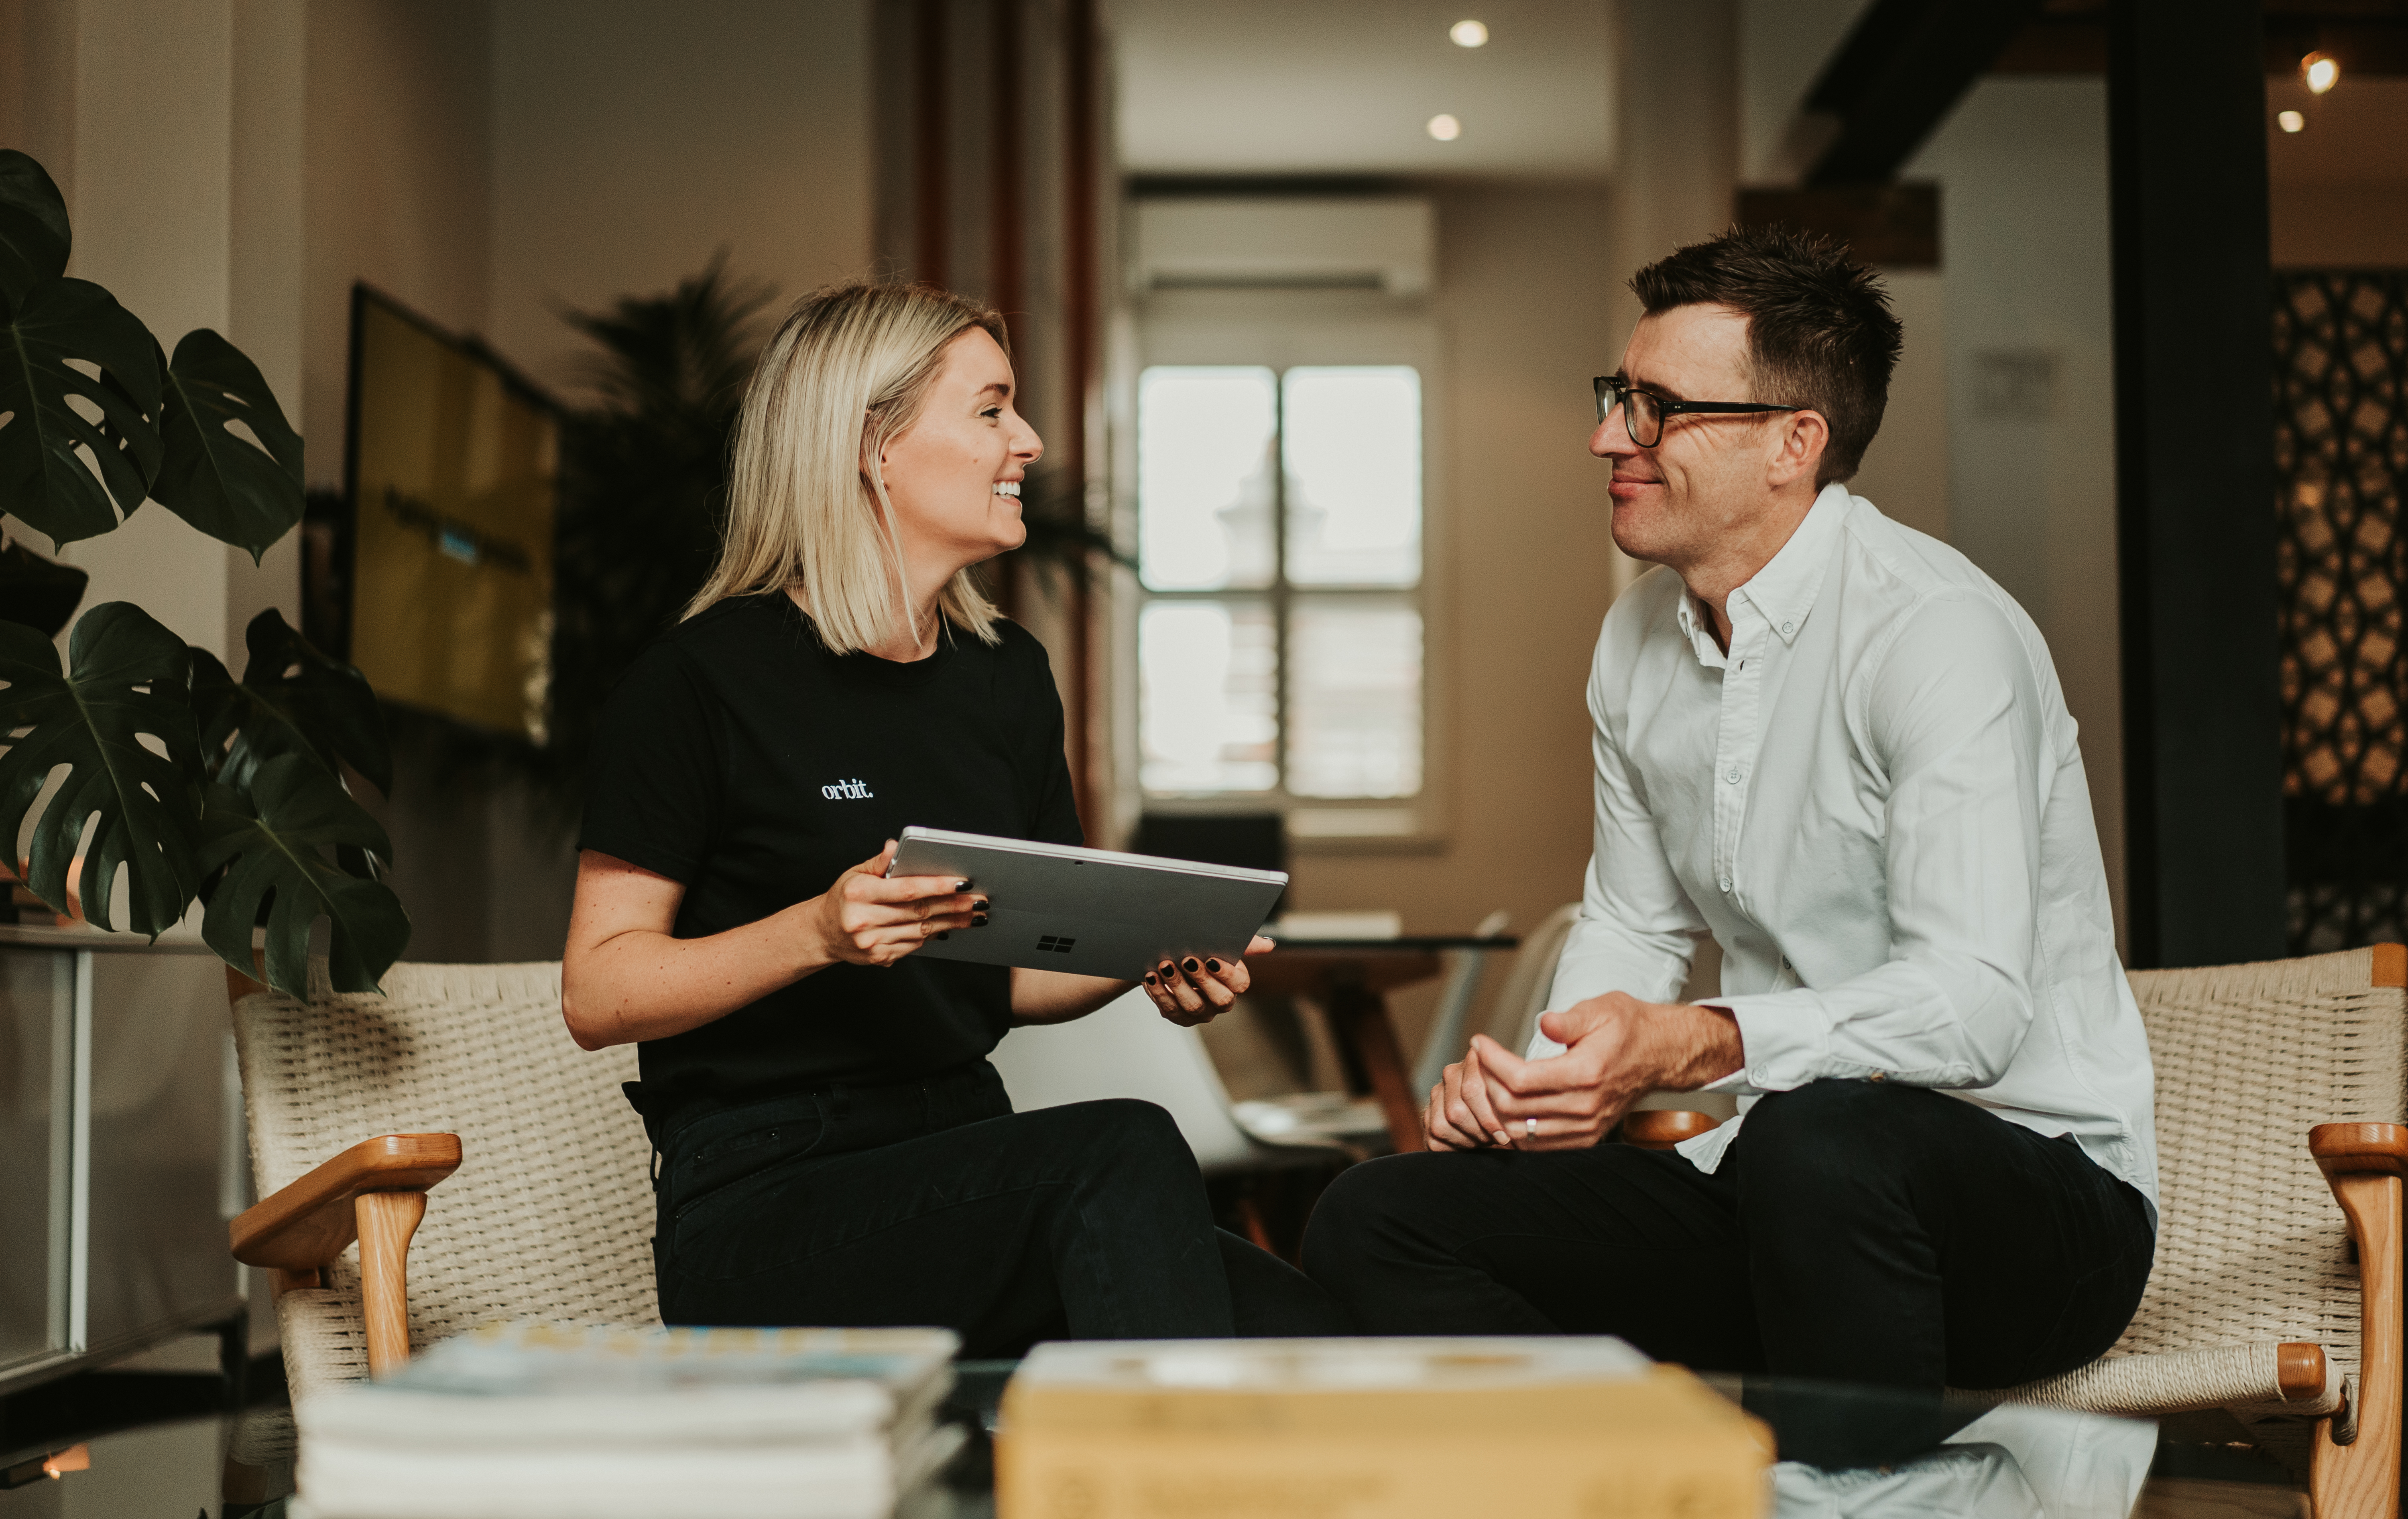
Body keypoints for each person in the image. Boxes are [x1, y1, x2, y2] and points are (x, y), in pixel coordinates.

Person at [1302, 227, 2158, 1395]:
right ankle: (1636, 1480)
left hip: (2042, 1208)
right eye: (1617, 397)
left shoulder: (1937, 635)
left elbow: (1976, 1009)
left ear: (1794, 445)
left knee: (1826, 1135)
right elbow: (1637, 926)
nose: (1610, 436)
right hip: (1777, 1187)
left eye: (1657, 407)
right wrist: (1548, 1088)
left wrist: (1701, 1039)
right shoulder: (1636, 639)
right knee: (1380, 1216)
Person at [563, 281, 1341, 1355]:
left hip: (971, 1156)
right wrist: (816, 933)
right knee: (1123, 1150)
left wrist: (1146, 949)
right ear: (873, 443)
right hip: (770, 1196)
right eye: (990, 410)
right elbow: (599, 991)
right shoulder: (699, 683)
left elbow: (1015, 972)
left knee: (1314, 1331)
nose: (1026, 439)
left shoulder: (1005, 677)